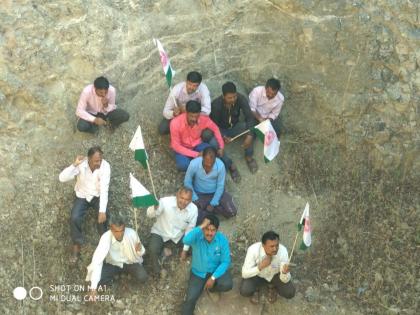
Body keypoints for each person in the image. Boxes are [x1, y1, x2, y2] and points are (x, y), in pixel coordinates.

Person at [59, 146, 110, 264]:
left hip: (97, 196)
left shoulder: (106, 166)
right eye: (96, 161)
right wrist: (74, 165)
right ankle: (77, 244)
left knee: (104, 217)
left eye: (100, 160)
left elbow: (104, 189)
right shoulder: (81, 165)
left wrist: (102, 211)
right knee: (74, 217)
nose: (99, 163)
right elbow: (62, 178)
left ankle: (104, 243)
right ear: (89, 159)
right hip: (82, 195)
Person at [181, 215, 233, 315]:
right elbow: (186, 240)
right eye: (206, 229)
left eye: (212, 230)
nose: (209, 233)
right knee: (190, 299)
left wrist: (213, 277)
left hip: (216, 271)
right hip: (198, 273)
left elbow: (225, 261)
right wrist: (201, 226)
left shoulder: (222, 240)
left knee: (227, 284)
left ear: (217, 230)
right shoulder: (197, 236)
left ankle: (211, 289)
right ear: (203, 228)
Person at [86, 215, 148, 297]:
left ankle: (127, 276)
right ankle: (112, 281)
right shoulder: (105, 237)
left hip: (130, 263)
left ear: (124, 228)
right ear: (111, 229)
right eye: (116, 231)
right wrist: (93, 288)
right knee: (98, 280)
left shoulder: (132, 233)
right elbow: (97, 260)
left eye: (121, 231)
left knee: (143, 277)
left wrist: (139, 249)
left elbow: (142, 253)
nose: (119, 234)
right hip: (113, 264)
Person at [210, 82, 258, 182]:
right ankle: (230, 165)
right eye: (229, 98)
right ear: (223, 96)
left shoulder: (240, 99)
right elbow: (213, 126)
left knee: (250, 129)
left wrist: (249, 135)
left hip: (235, 127)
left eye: (234, 96)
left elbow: (249, 117)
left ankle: (249, 156)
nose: (233, 99)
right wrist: (222, 136)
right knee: (214, 143)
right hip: (221, 130)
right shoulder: (216, 105)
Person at [146, 186, 198, 276]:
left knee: (194, 246)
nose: (184, 202)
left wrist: (185, 251)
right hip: (160, 232)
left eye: (187, 199)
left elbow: (189, 231)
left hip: (178, 235)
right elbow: (150, 215)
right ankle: (158, 271)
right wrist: (154, 207)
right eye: (182, 198)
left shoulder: (193, 210)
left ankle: (169, 251)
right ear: (177, 195)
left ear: (191, 200)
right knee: (152, 249)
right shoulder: (165, 202)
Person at [240, 231, 295, 304]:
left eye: (277, 245)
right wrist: (260, 267)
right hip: (257, 275)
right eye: (271, 246)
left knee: (289, 293)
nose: (275, 249)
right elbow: (244, 273)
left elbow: (285, 279)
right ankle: (257, 288)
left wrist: (284, 273)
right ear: (263, 245)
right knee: (245, 291)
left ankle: (273, 287)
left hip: (275, 276)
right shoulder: (253, 250)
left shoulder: (283, 251)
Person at [184, 147, 237, 224]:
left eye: (211, 164)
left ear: (215, 159)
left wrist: (213, 203)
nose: (208, 166)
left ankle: (209, 209)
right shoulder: (194, 164)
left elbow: (220, 186)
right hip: (199, 194)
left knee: (232, 212)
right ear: (202, 157)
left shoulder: (220, 165)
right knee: (195, 219)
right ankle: (211, 209)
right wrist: (194, 198)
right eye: (206, 163)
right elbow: (187, 182)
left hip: (215, 192)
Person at [170, 100, 224, 172]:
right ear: (186, 112)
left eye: (197, 116)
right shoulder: (175, 123)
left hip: (197, 145)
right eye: (191, 116)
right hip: (182, 148)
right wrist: (196, 154)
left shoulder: (203, 118)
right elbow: (176, 146)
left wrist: (221, 146)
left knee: (211, 154)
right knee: (183, 165)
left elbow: (216, 129)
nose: (194, 119)